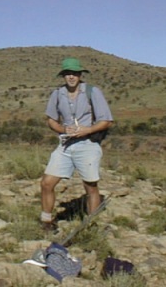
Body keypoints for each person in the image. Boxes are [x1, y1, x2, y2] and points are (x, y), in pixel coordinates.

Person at [40, 58, 113, 232]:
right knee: (47, 183)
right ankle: (46, 221)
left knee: (90, 185)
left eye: (74, 73)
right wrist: (63, 129)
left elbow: (106, 121)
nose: (71, 77)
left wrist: (86, 130)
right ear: (63, 76)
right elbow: (51, 120)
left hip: (87, 144)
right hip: (66, 144)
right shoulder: (57, 94)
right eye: (68, 74)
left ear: (80, 75)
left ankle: (91, 226)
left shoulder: (92, 92)